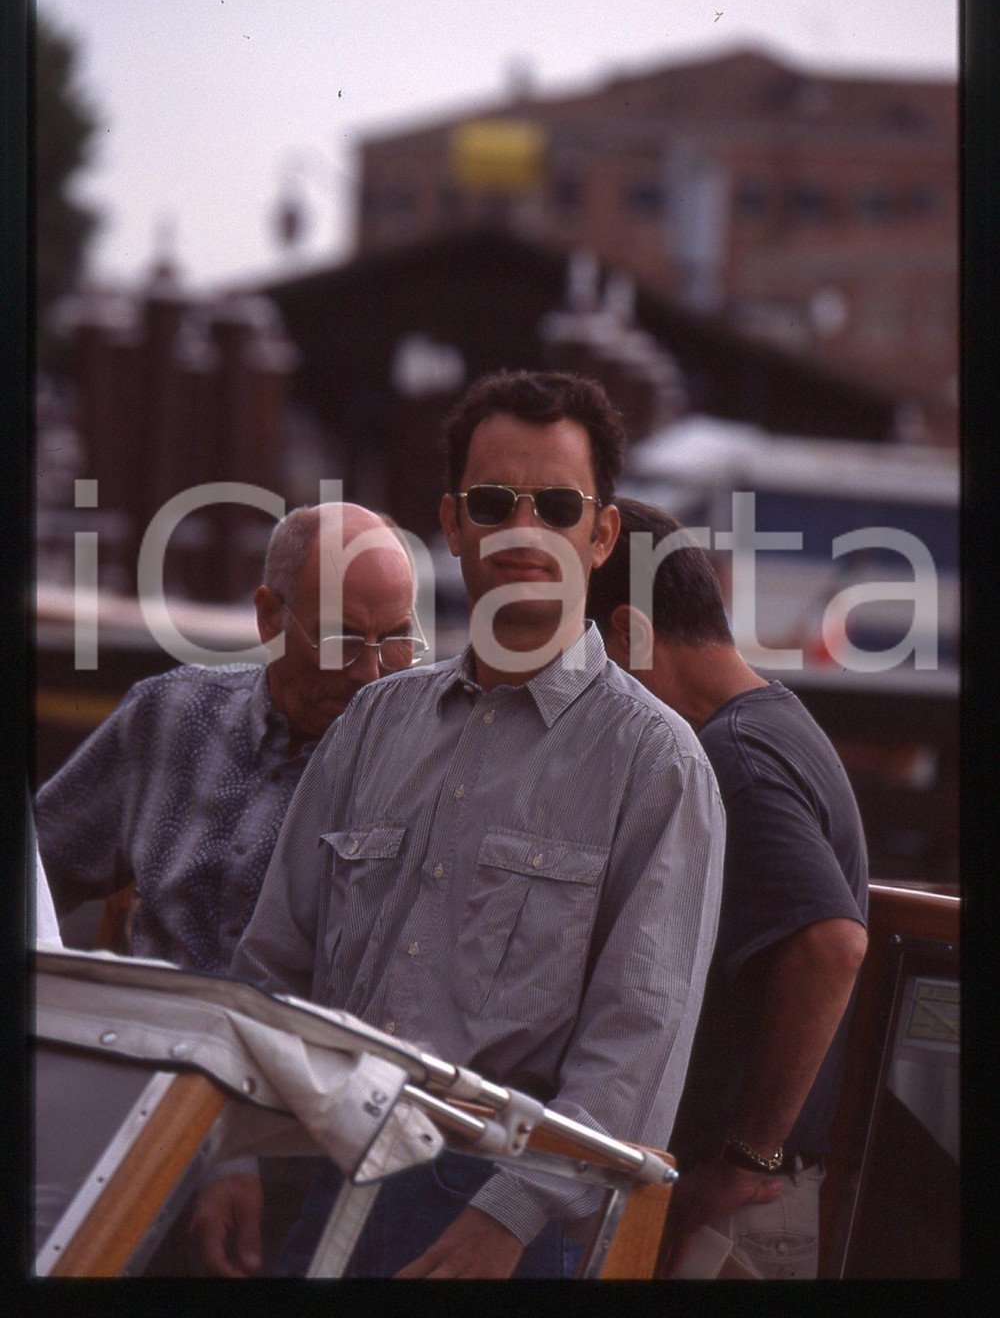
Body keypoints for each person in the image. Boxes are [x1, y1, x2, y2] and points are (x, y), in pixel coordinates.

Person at [194, 370, 726, 1280]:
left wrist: (505, 1222)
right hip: (324, 1179)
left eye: (557, 505)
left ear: (600, 536)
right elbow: (271, 968)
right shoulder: (370, 724)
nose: (523, 530)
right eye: (492, 501)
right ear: (452, 525)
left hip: (513, 1218)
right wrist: (229, 1153)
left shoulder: (659, 766)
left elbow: (637, 1043)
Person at [586, 497, 869, 1280]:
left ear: (624, 635)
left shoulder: (735, 758)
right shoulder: (765, 725)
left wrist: (745, 1159)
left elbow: (831, 945)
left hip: (738, 1214)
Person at [35, 502, 421, 973]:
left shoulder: (420, 772)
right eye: (342, 638)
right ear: (269, 619)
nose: (371, 673)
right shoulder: (170, 717)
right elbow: (36, 867)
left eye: (398, 640)